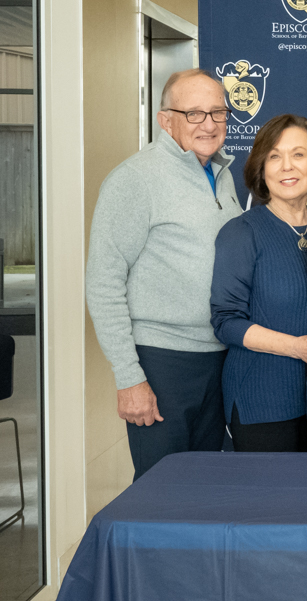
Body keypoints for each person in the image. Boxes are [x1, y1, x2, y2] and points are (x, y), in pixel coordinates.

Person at [86, 69, 243, 480]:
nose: (209, 124)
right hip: (162, 363)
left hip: (218, 358)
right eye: (194, 113)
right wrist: (129, 377)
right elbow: (103, 283)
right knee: (160, 490)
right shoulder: (135, 179)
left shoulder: (223, 175)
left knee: (205, 486)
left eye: (218, 112)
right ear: (165, 120)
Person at [210, 114, 307, 452]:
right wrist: (298, 348)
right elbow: (226, 322)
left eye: (298, 154)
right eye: (274, 156)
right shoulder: (242, 232)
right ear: (261, 169)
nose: (287, 166)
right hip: (263, 401)